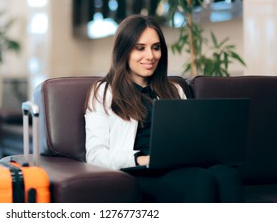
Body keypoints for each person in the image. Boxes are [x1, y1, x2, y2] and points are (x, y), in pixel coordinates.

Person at [84, 14, 243, 203]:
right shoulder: (103, 92)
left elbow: (188, 141)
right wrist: (141, 159)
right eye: (140, 48)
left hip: (178, 166)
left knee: (226, 175)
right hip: (139, 173)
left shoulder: (174, 90)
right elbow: (95, 155)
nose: (150, 56)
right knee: (200, 181)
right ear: (124, 51)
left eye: (156, 48)